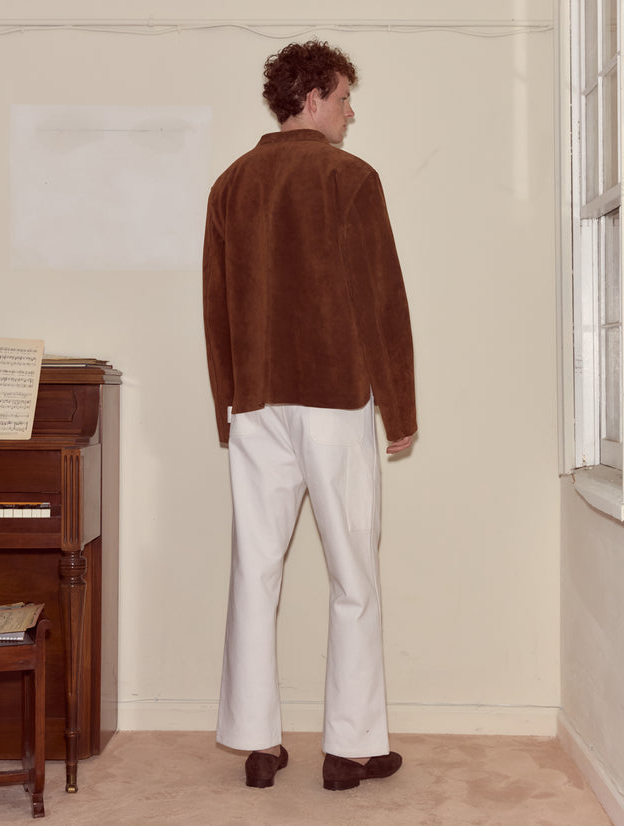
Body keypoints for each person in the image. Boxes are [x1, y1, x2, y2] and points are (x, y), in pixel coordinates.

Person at [203, 39, 417, 791]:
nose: (352, 113)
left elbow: (215, 308)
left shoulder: (231, 184)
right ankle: (349, 749)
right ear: (316, 95)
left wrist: (226, 403)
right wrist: (400, 405)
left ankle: (258, 744)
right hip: (332, 398)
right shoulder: (348, 177)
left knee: (254, 570)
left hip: (256, 401)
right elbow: (381, 298)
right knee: (353, 574)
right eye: (347, 98)